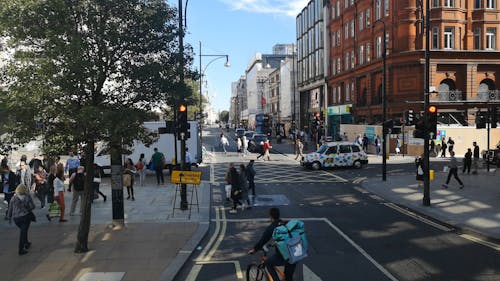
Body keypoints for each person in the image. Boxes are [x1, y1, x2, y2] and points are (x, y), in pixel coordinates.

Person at [248, 208, 296, 281]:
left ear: (270, 217)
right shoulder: (286, 223)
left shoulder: (272, 227)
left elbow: (263, 240)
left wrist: (254, 250)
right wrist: (276, 243)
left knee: (268, 263)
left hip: (285, 255)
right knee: (288, 276)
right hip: (296, 253)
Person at [7, 184, 36, 255]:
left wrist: (9, 218)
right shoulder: (27, 196)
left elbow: (10, 209)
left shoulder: (13, 198)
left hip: (16, 219)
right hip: (25, 217)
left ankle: (26, 243)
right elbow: (33, 206)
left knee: (23, 231)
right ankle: (21, 249)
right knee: (23, 232)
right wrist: (28, 208)